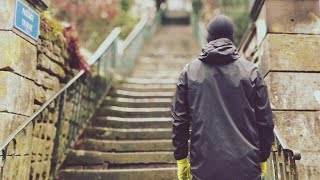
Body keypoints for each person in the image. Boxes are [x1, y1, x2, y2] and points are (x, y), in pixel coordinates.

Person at [171, 15, 274, 180]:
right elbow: (265, 122)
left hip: (204, 168)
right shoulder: (251, 72)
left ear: (208, 37)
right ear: (231, 37)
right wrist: (262, 157)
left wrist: (181, 159)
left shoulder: (189, 72)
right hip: (246, 167)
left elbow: (180, 121)